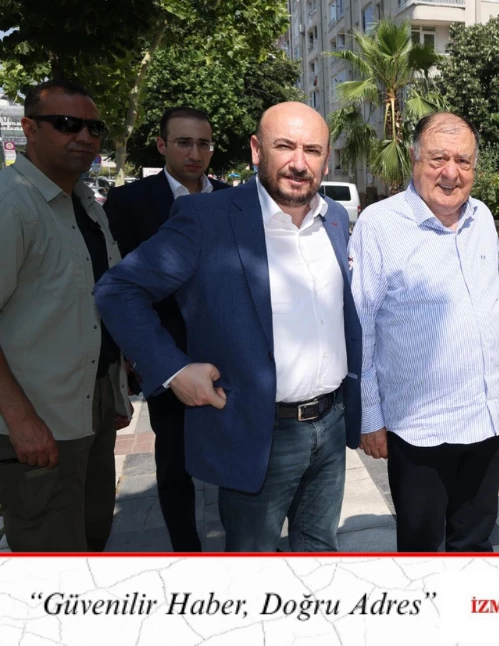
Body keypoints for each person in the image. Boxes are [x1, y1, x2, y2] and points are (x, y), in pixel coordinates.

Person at [94, 102, 362, 552]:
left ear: (326, 158)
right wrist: (174, 370)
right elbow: (117, 290)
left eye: (312, 150)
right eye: (285, 146)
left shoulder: (333, 217)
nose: (299, 163)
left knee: (319, 553)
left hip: (331, 425)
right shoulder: (207, 218)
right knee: (252, 565)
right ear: (257, 150)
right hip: (259, 433)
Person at [351, 113, 499, 552]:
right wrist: (370, 417)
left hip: (484, 420)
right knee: (421, 549)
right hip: (419, 429)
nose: (451, 172)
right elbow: (361, 327)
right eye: (439, 158)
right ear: (415, 159)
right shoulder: (379, 225)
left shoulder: (482, 217)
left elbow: (496, 302)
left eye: (463, 161)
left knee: (475, 541)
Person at [0, 80, 133, 552]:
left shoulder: (84, 204)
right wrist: (21, 420)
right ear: (30, 129)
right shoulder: (12, 205)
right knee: (51, 555)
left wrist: (114, 388)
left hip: (89, 406)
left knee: (91, 539)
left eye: (94, 128)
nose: (84, 136)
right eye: (67, 124)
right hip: (38, 420)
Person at [103, 106, 231, 552]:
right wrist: (136, 357)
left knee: (239, 461)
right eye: (184, 142)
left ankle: (246, 545)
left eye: (203, 143)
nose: (195, 153)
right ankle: (186, 551)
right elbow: (116, 287)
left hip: (228, 356)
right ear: (162, 145)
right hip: (167, 357)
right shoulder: (130, 202)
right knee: (174, 463)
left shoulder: (231, 199)